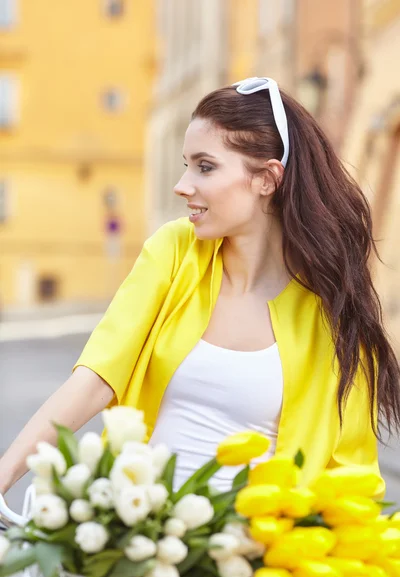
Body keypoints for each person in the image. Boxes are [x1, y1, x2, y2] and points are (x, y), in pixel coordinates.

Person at [1, 77, 399, 495]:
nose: (183, 184)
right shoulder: (173, 252)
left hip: (257, 550)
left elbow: (353, 477)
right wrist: (5, 473)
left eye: (205, 167)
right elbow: (97, 377)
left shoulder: (332, 314)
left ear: (267, 178)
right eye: (186, 164)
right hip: (140, 535)